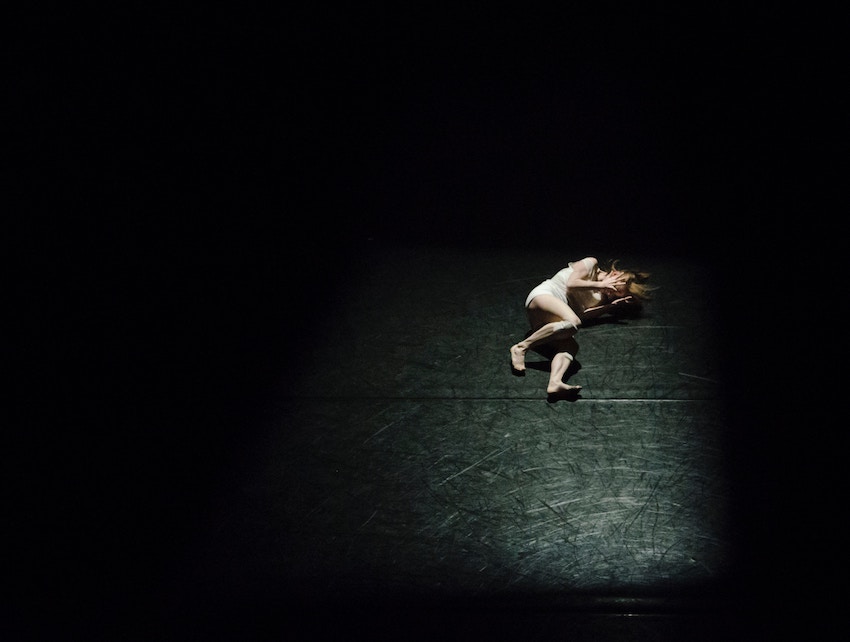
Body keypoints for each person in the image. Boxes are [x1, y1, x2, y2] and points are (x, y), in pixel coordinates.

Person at [509, 256, 652, 400]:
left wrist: (610, 306)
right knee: (573, 323)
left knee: (571, 346)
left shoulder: (601, 298)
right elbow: (571, 284)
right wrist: (601, 285)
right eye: (614, 288)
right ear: (615, 274)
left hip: (545, 320)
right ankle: (521, 347)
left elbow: (582, 316)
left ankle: (555, 383)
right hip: (543, 296)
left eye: (615, 294)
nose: (610, 293)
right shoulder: (591, 264)